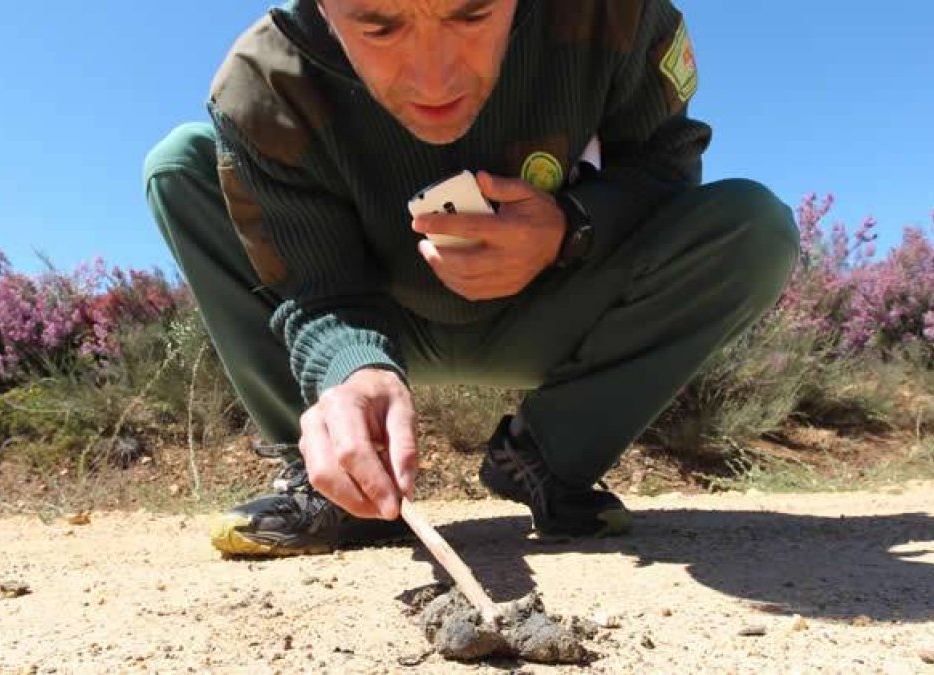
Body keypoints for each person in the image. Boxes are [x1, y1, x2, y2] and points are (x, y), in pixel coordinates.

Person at [143, 0, 800, 558]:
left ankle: (547, 455)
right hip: (374, 322)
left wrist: (572, 225)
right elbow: (319, 293)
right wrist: (349, 366)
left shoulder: (616, 15)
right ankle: (336, 477)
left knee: (753, 227)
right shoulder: (264, 85)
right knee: (181, 166)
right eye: (379, 26)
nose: (434, 79)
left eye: (473, 11)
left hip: (551, 309)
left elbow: (668, 166)